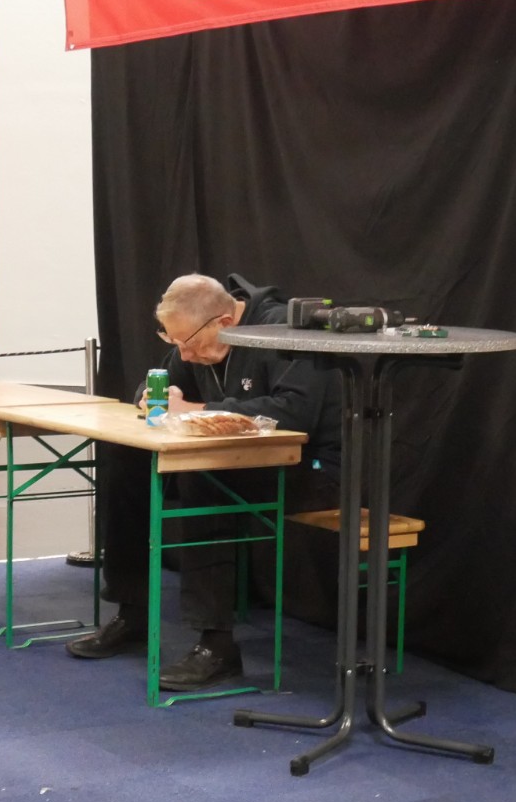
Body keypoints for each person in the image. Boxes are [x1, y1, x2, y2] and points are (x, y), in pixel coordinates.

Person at [67, 273, 341, 689]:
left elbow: (294, 413)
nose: (184, 354)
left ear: (225, 323)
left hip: (312, 469)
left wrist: (195, 410)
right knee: (127, 462)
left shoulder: (287, 331)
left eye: (188, 343)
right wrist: (152, 396)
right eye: (172, 341)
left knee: (204, 475)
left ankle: (217, 646)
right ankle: (132, 613)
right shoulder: (198, 338)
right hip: (238, 460)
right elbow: (158, 382)